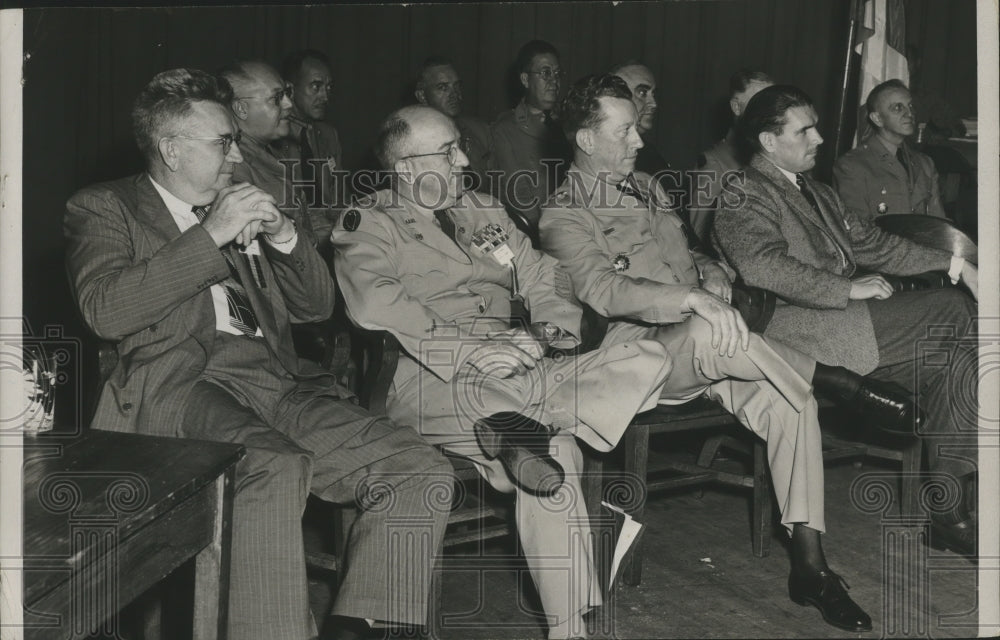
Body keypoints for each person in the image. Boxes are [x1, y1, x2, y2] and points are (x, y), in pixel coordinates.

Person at [64, 69, 452, 640]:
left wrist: (283, 237)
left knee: (418, 465)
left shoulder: (239, 202)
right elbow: (105, 310)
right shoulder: (105, 206)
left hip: (278, 383)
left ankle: (365, 627)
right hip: (183, 386)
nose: (235, 153)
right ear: (171, 149)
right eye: (223, 142)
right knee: (274, 466)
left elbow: (317, 308)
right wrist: (210, 235)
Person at [540, 74, 889, 633]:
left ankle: (810, 566)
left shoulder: (649, 187)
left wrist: (709, 272)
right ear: (586, 140)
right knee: (716, 335)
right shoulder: (562, 213)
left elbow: (693, 251)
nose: (638, 139)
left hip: (719, 348)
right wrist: (692, 298)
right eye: (625, 130)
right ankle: (838, 379)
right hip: (641, 359)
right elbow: (605, 290)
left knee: (790, 403)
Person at [330, 104, 673, 639]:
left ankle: (513, 436)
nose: (464, 159)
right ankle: (570, 630)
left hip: (523, 365)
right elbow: (377, 307)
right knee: (557, 454)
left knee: (649, 358)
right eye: (447, 152)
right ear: (404, 168)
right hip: (435, 375)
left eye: (459, 146)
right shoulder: (367, 223)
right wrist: (474, 351)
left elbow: (548, 279)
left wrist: (540, 338)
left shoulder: (483, 210)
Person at [713, 84, 979, 559]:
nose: (818, 138)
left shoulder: (817, 192)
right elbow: (762, 266)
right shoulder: (743, 191)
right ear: (769, 142)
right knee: (954, 310)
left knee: (956, 362)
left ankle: (950, 513)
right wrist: (847, 288)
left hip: (847, 327)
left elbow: (876, 245)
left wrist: (957, 267)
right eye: (805, 129)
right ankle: (954, 508)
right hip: (795, 334)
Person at [833, 79, 947, 223]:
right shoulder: (852, 166)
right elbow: (857, 232)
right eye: (898, 108)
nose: (909, 113)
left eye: (910, 106)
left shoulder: (925, 164)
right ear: (877, 118)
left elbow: (938, 225)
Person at [272, 49, 350, 250]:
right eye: (316, 86)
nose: (325, 96)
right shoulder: (272, 136)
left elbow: (340, 197)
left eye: (329, 87)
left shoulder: (328, 135)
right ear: (290, 89)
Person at [491, 40, 571, 229]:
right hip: (543, 230)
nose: (554, 81)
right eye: (545, 73)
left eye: (557, 74)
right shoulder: (505, 130)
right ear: (525, 80)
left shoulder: (571, 122)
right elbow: (519, 198)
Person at [687, 69, 774, 242]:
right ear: (736, 107)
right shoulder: (714, 164)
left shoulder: (774, 157)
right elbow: (700, 239)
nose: (770, 114)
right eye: (758, 104)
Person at [414, 55, 494, 193]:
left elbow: (499, 184)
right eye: (443, 88)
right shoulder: (411, 142)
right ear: (422, 96)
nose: (455, 95)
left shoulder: (480, 131)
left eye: (457, 86)